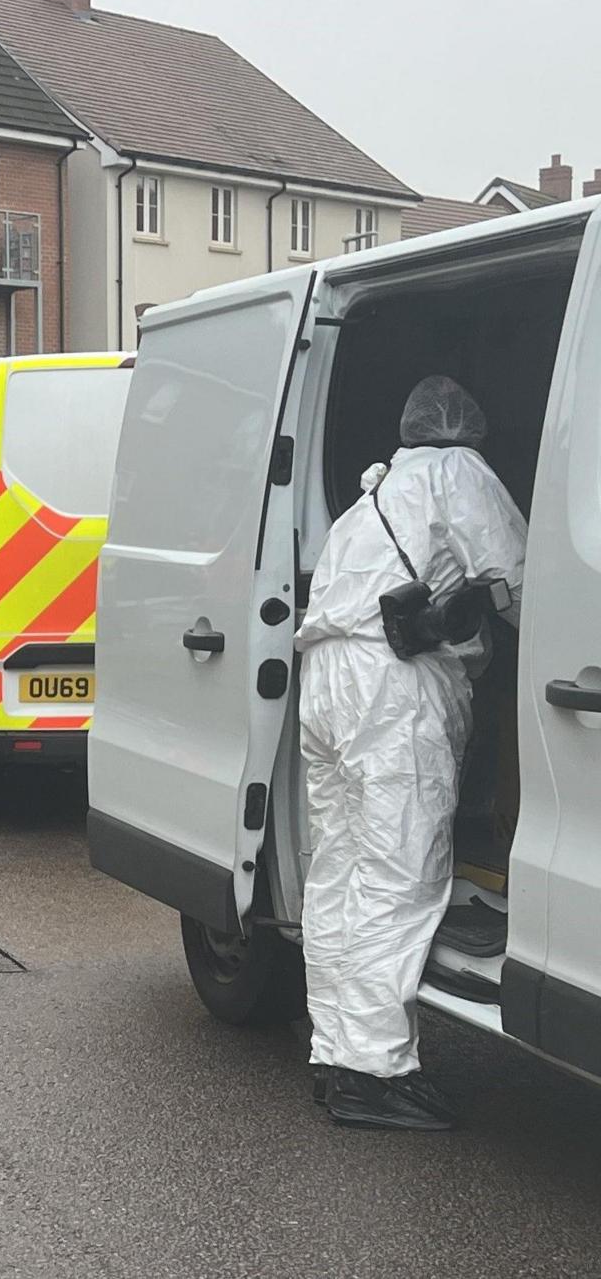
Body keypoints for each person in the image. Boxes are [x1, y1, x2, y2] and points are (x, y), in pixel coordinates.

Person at [296, 376, 526, 1130]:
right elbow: (523, 574)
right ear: (466, 429)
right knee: (398, 875)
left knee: (337, 873)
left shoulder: (376, 492)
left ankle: (334, 1053)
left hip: (327, 681)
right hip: (391, 687)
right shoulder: (456, 472)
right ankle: (376, 1071)